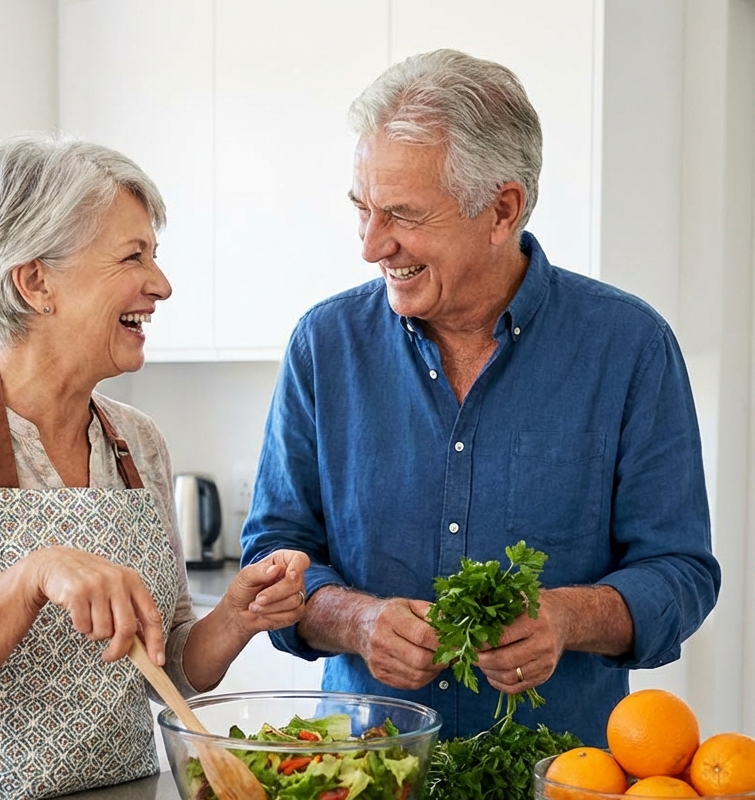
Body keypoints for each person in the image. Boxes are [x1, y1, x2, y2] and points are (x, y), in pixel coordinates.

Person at [240, 50, 720, 746]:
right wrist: (357, 620)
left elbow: (680, 572)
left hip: (557, 793)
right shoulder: (325, 345)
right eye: (363, 210)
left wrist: (566, 616)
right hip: (364, 783)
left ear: (502, 209)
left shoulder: (630, 346)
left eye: (401, 214)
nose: (373, 246)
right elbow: (275, 553)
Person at [0, 132, 308, 800]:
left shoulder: (137, 444)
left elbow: (169, 667)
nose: (160, 285)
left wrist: (238, 618)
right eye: (134, 257)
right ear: (35, 282)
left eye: (154, 256)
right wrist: (34, 574)